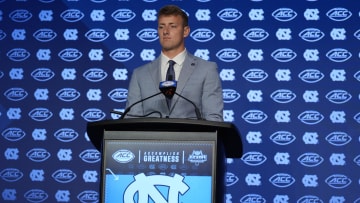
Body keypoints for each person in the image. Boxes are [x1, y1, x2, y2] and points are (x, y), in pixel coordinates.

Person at [124, 5, 223, 121]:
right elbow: (131, 120)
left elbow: (213, 118)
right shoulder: (140, 74)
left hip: (192, 138)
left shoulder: (207, 70)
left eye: (172, 26)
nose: (165, 31)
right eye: (161, 27)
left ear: (185, 31)